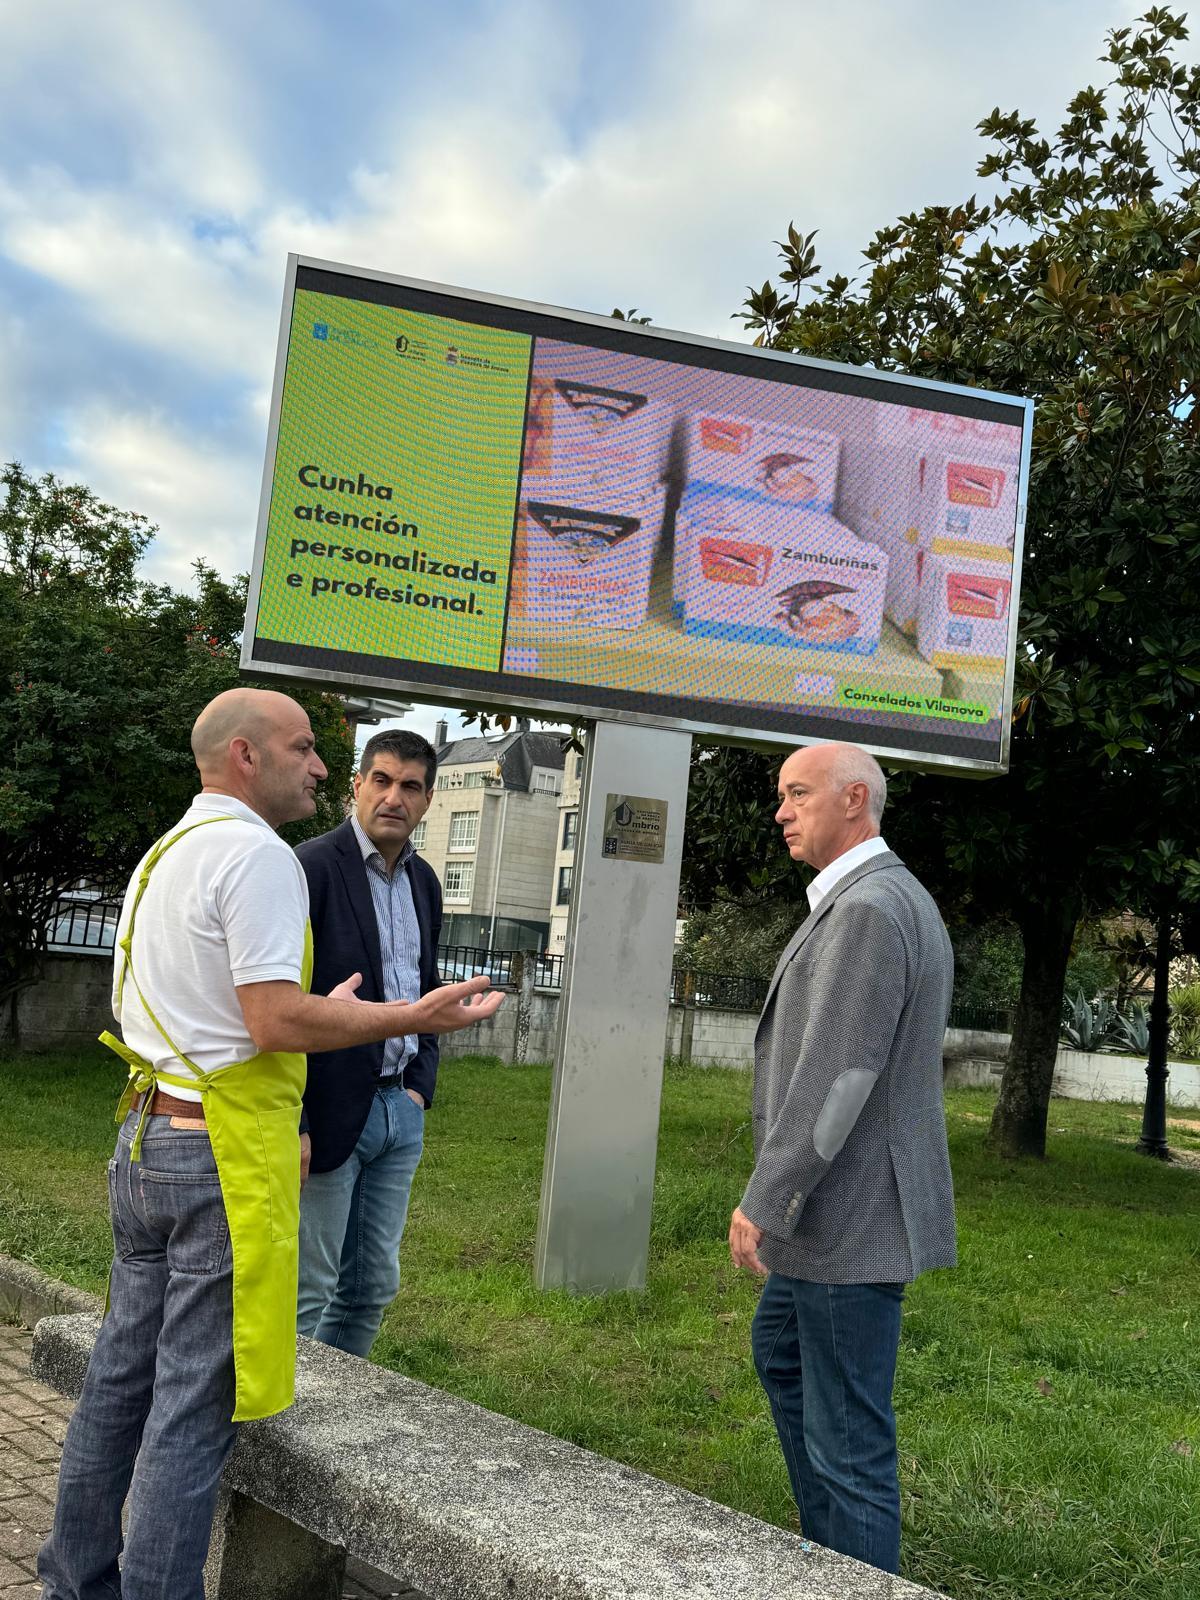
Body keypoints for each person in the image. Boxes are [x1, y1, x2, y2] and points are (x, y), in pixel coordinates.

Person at [39, 688, 503, 1600]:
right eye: (303, 747)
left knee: (119, 1382)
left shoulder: (168, 850)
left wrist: (337, 1014)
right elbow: (273, 1019)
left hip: (146, 1135)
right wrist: (409, 1016)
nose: (321, 767)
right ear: (246, 756)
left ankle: (75, 1583)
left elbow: (161, 1004)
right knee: (193, 1406)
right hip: (217, 1153)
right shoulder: (259, 856)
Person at [728, 740, 955, 1575]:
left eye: (798, 794)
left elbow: (839, 1078)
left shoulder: (868, 910)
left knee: (850, 1444)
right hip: (838, 1214)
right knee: (782, 1353)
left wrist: (767, 1197)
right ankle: (829, 1558)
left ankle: (851, 1570)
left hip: (847, 1218)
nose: (781, 812)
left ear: (853, 800)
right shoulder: (873, 899)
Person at [295, 729, 442, 1355]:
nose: (393, 798)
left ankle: (332, 1404)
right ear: (356, 786)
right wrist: (296, 1120)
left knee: (371, 1287)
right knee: (308, 1288)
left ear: (428, 800)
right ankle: (279, 1412)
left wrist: (419, 1089)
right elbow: (280, 1003)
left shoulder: (425, 882)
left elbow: (425, 987)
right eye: (380, 780)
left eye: (410, 786)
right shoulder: (310, 867)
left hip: (398, 1110)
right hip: (327, 1107)